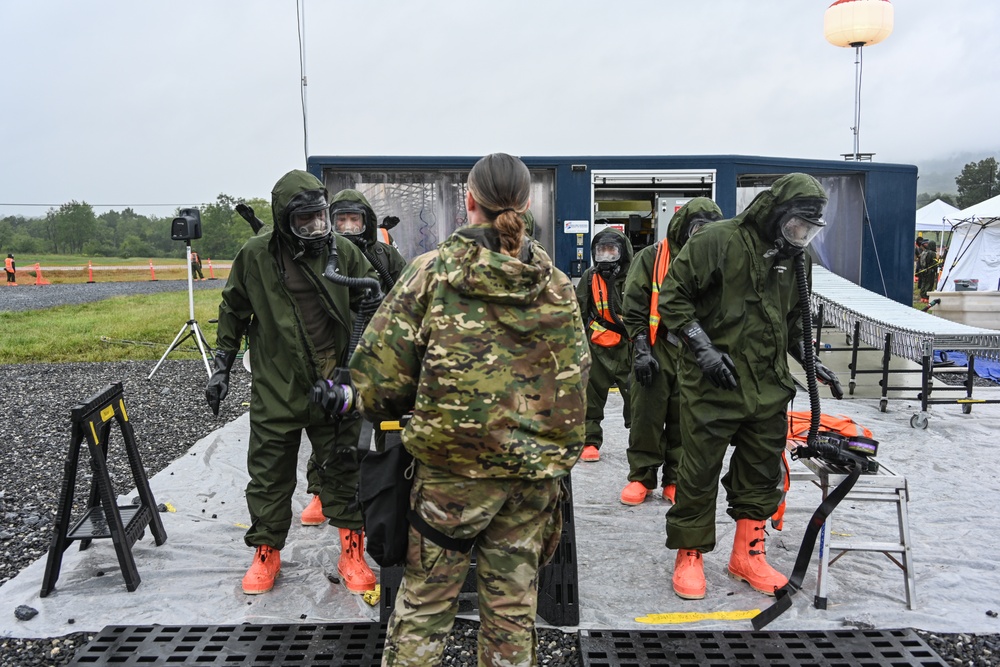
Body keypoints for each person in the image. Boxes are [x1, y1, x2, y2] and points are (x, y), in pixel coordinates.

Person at [333, 153, 589, 666]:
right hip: (531, 482)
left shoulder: (433, 273)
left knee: (425, 608)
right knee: (512, 614)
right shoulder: (557, 285)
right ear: (524, 203)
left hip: (450, 482)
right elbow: (578, 379)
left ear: (467, 202)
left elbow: (378, 380)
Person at [661, 173, 843, 601]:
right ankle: (690, 553)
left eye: (811, 228)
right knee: (698, 470)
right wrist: (702, 348)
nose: (803, 235)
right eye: (799, 224)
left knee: (762, 470)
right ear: (777, 212)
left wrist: (811, 359)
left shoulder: (799, 257)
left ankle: (748, 554)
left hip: (768, 385)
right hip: (713, 383)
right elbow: (673, 298)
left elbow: (795, 319)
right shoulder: (716, 241)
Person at [204, 169, 380, 595]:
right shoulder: (256, 256)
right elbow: (233, 309)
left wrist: (358, 370)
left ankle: (352, 550)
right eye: (306, 222)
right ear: (285, 220)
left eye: (321, 218)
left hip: (334, 384)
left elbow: (372, 306)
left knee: (344, 469)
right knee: (268, 474)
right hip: (277, 385)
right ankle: (267, 551)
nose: (316, 229)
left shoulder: (344, 254)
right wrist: (222, 366)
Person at [300, 188, 407, 526]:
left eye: (354, 220)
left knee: (380, 424)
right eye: (341, 220)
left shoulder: (385, 257)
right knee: (327, 423)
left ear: (367, 222)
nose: (347, 227)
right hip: (336, 352)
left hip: (378, 355)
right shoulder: (322, 255)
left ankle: (380, 485)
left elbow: (409, 296)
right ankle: (319, 490)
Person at [619, 198, 722, 505]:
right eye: (698, 228)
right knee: (646, 414)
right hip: (656, 345)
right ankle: (642, 476)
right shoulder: (652, 257)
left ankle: (675, 478)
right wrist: (641, 349)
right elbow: (634, 305)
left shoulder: (717, 260)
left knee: (686, 417)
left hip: (694, 350)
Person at [575, 227, 633, 462]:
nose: (606, 256)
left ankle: (639, 442)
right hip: (597, 348)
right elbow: (577, 311)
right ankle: (590, 441)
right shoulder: (590, 277)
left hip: (629, 348)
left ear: (623, 252)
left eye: (612, 250)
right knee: (591, 395)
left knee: (636, 398)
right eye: (602, 250)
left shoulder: (635, 274)